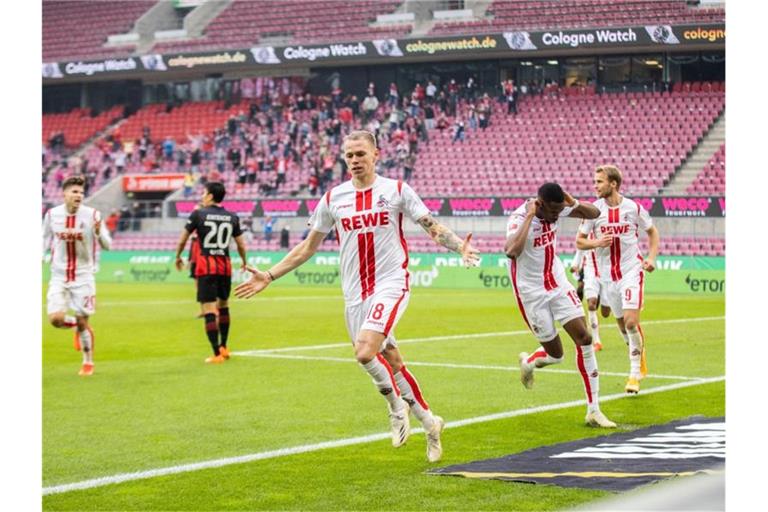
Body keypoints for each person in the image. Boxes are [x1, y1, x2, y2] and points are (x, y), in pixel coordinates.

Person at [235, 130, 480, 462]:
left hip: (391, 283)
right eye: (349, 155)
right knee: (390, 359)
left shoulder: (395, 190)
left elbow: (430, 225)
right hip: (353, 293)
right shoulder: (334, 197)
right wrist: (268, 275)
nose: (354, 160)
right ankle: (429, 421)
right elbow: (308, 247)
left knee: (365, 352)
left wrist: (458, 247)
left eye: (360, 154)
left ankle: (396, 408)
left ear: (376, 154)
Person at [505, 182, 616, 428]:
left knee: (584, 338)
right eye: (553, 212)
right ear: (540, 204)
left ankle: (594, 410)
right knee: (556, 355)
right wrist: (531, 217)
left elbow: (595, 213)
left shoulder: (558, 208)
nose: (557, 217)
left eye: (559, 212)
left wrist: (572, 202)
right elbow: (511, 251)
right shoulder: (519, 217)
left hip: (557, 284)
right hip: (531, 293)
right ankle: (530, 362)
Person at [576, 165, 660, 394]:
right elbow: (579, 242)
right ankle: (638, 353)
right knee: (623, 326)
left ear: (613, 184)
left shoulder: (633, 208)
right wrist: (597, 243)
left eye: (599, 181)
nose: (595, 185)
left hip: (631, 271)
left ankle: (634, 374)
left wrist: (651, 258)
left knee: (632, 322)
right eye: (595, 181)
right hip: (606, 278)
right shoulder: (593, 211)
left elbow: (652, 232)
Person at [43, 176, 112, 376]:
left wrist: (99, 233)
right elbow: (44, 237)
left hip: (83, 276)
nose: (79, 195)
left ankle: (88, 362)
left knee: (84, 322)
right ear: (64, 194)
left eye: (81, 192)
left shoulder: (93, 215)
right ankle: (75, 325)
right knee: (56, 319)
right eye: (74, 192)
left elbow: (108, 245)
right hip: (58, 275)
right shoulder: (52, 215)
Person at [174, 182, 248, 363]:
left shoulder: (198, 214)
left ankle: (216, 354)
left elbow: (183, 239)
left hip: (206, 267)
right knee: (223, 306)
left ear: (210, 196)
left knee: (208, 309)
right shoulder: (232, 217)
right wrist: (245, 262)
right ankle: (224, 347)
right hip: (225, 266)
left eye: (203, 193)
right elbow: (240, 244)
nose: (201, 196)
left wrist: (178, 256)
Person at [569, 239, 610, 351]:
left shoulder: (604, 228)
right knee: (591, 304)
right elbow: (580, 246)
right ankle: (597, 342)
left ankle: (601, 297)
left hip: (606, 272)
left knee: (606, 313)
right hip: (590, 272)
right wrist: (575, 264)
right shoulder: (585, 229)